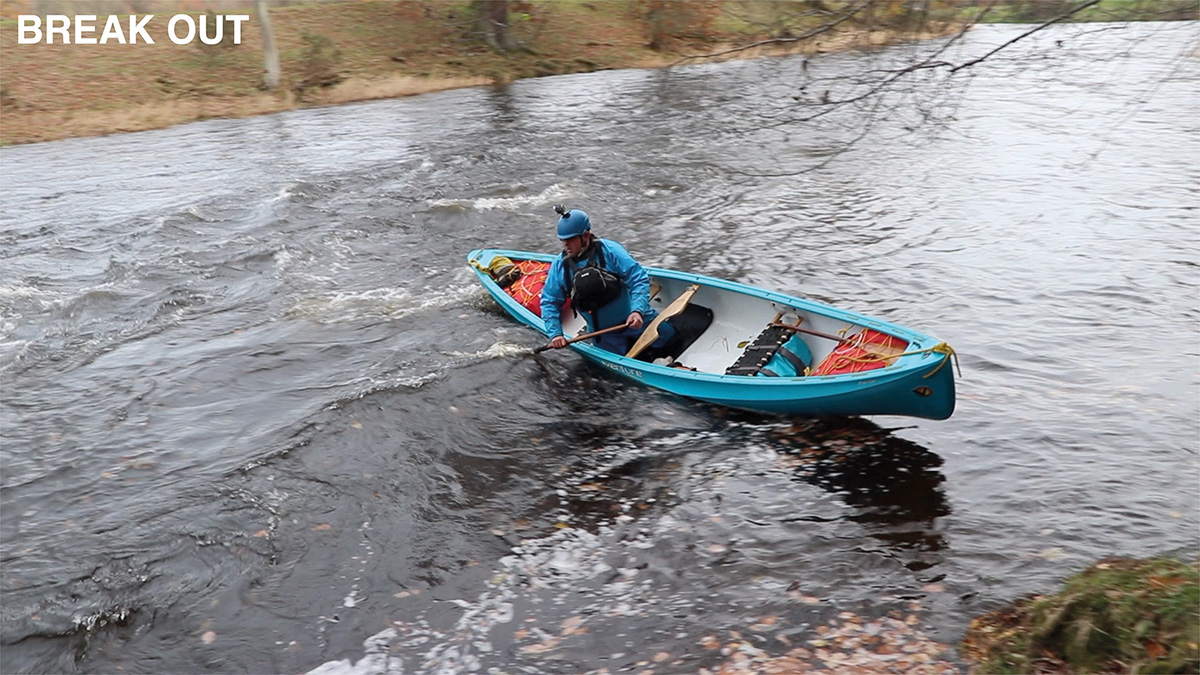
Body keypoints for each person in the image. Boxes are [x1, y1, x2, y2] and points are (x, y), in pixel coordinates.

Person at [540, 205, 674, 355]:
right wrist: (556, 334)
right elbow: (549, 302)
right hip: (604, 335)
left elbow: (638, 279)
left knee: (673, 340)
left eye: (570, 239)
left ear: (586, 235)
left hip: (637, 319)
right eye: (563, 240)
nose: (566, 244)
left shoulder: (610, 250)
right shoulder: (560, 267)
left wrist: (637, 311)